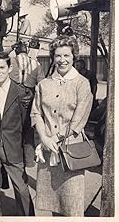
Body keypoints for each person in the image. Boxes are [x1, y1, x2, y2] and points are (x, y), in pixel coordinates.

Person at [30, 35, 93, 216]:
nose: (62, 60)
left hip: (71, 152)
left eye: (66, 55)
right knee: (53, 205)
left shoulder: (82, 84)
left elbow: (78, 121)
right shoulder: (43, 85)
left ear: (74, 56)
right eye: (58, 56)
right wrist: (44, 138)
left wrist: (54, 139)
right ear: (53, 57)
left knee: (72, 205)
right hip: (48, 151)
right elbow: (36, 113)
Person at [0, 52, 35, 216]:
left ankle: (27, 217)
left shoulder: (22, 93)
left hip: (14, 150)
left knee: (22, 190)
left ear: (10, 68)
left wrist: (28, 154)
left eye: (2, 67)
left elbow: (27, 127)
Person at [9, 40, 45, 167]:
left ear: (16, 50)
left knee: (13, 128)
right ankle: (29, 161)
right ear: (27, 51)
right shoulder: (35, 63)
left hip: (13, 94)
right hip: (29, 95)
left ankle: (14, 159)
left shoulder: (11, 61)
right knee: (28, 129)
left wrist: (10, 48)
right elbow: (41, 83)